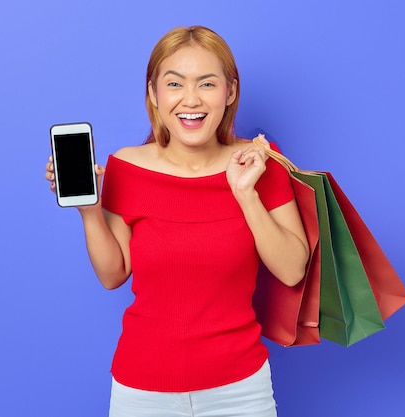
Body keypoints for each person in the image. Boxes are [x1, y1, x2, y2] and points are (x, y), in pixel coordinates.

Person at [45, 25, 309, 417]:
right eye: (174, 84)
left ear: (230, 92)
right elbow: (112, 275)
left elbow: (291, 271)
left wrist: (245, 194)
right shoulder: (126, 167)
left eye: (206, 83)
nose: (190, 99)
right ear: (153, 93)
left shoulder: (259, 164)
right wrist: (90, 211)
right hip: (141, 392)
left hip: (240, 391)